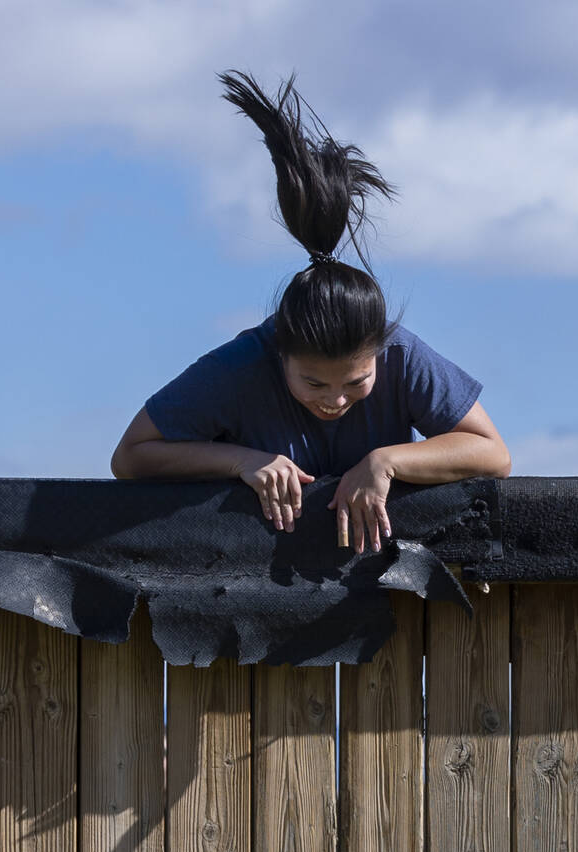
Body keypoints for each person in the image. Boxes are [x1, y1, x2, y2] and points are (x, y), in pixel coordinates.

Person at [111, 71, 510, 555]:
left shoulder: (401, 354)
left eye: (357, 381)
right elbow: (131, 456)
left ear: (379, 354)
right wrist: (240, 460)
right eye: (315, 383)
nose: (336, 401)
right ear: (279, 355)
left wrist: (385, 462)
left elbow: (493, 453)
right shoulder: (239, 367)